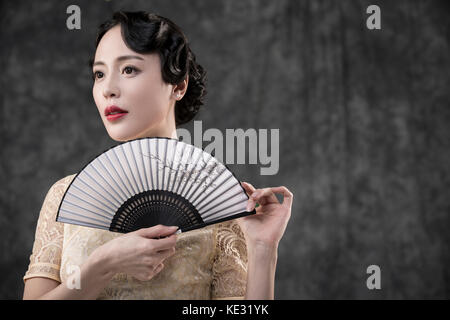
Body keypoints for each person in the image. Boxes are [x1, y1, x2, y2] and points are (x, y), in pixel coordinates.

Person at [23, 11, 293, 300]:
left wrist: (264, 248)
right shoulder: (64, 196)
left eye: (129, 70)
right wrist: (104, 264)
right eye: (99, 74)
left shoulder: (221, 206)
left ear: (178, 85)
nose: (108, 90)